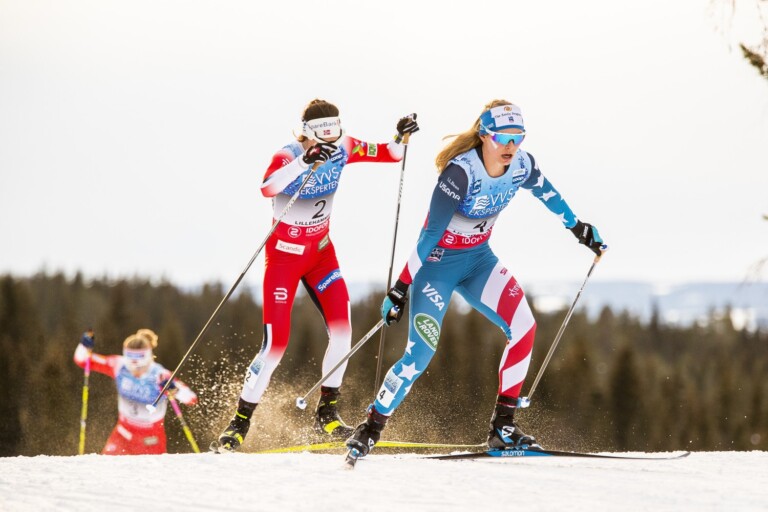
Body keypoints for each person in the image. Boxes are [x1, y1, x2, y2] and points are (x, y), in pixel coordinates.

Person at [346, 100, 606, 458]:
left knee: (525, 327)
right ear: (484, 135)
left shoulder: (522, 165)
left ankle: (503, 427)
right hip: (436, 268)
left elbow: (548, 194)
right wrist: (400, 288)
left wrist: (578, 228)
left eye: (518, 137)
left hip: (479, 262)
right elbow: (430, 235)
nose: (510, 146)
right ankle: (370, 427)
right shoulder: (460, 174)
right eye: (502, 137)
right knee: (420, 353)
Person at [215, 99, 419, 452]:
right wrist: (303, 162)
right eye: (322, 136)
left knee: (343, 331)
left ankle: (327, 413)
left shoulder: (345, 146)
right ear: (306, 133)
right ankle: (240, 422)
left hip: (321, 255)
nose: (329, 142)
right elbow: (267, 187)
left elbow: (390, 153)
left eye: (334, 133)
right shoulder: (287, 155)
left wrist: (401, 136)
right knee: (275, 345)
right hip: (284, 259)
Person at [73, 328, 198, 455]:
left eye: (139, 365)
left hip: (151, 440)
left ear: (148, 358)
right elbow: (83, 360)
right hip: (123, 434)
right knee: (106, 466)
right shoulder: (119, 365)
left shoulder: (160, 375)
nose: (135, 371)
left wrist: (174, 390)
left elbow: (191, 399)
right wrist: (84, 346)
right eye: (130, 363)